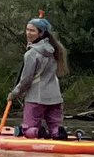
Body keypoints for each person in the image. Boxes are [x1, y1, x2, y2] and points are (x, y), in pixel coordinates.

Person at [9, 11, 67, 139]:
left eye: (32, 31)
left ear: (41, 33)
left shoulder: (31, 54)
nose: (28, 33)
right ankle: (57, 133)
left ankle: (37, 132)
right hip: (55, 96)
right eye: (27, 30)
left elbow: (26, 79)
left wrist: (15, 93)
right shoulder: (56, 49)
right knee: (55, 125)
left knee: (28, 128)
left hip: (36, 98)